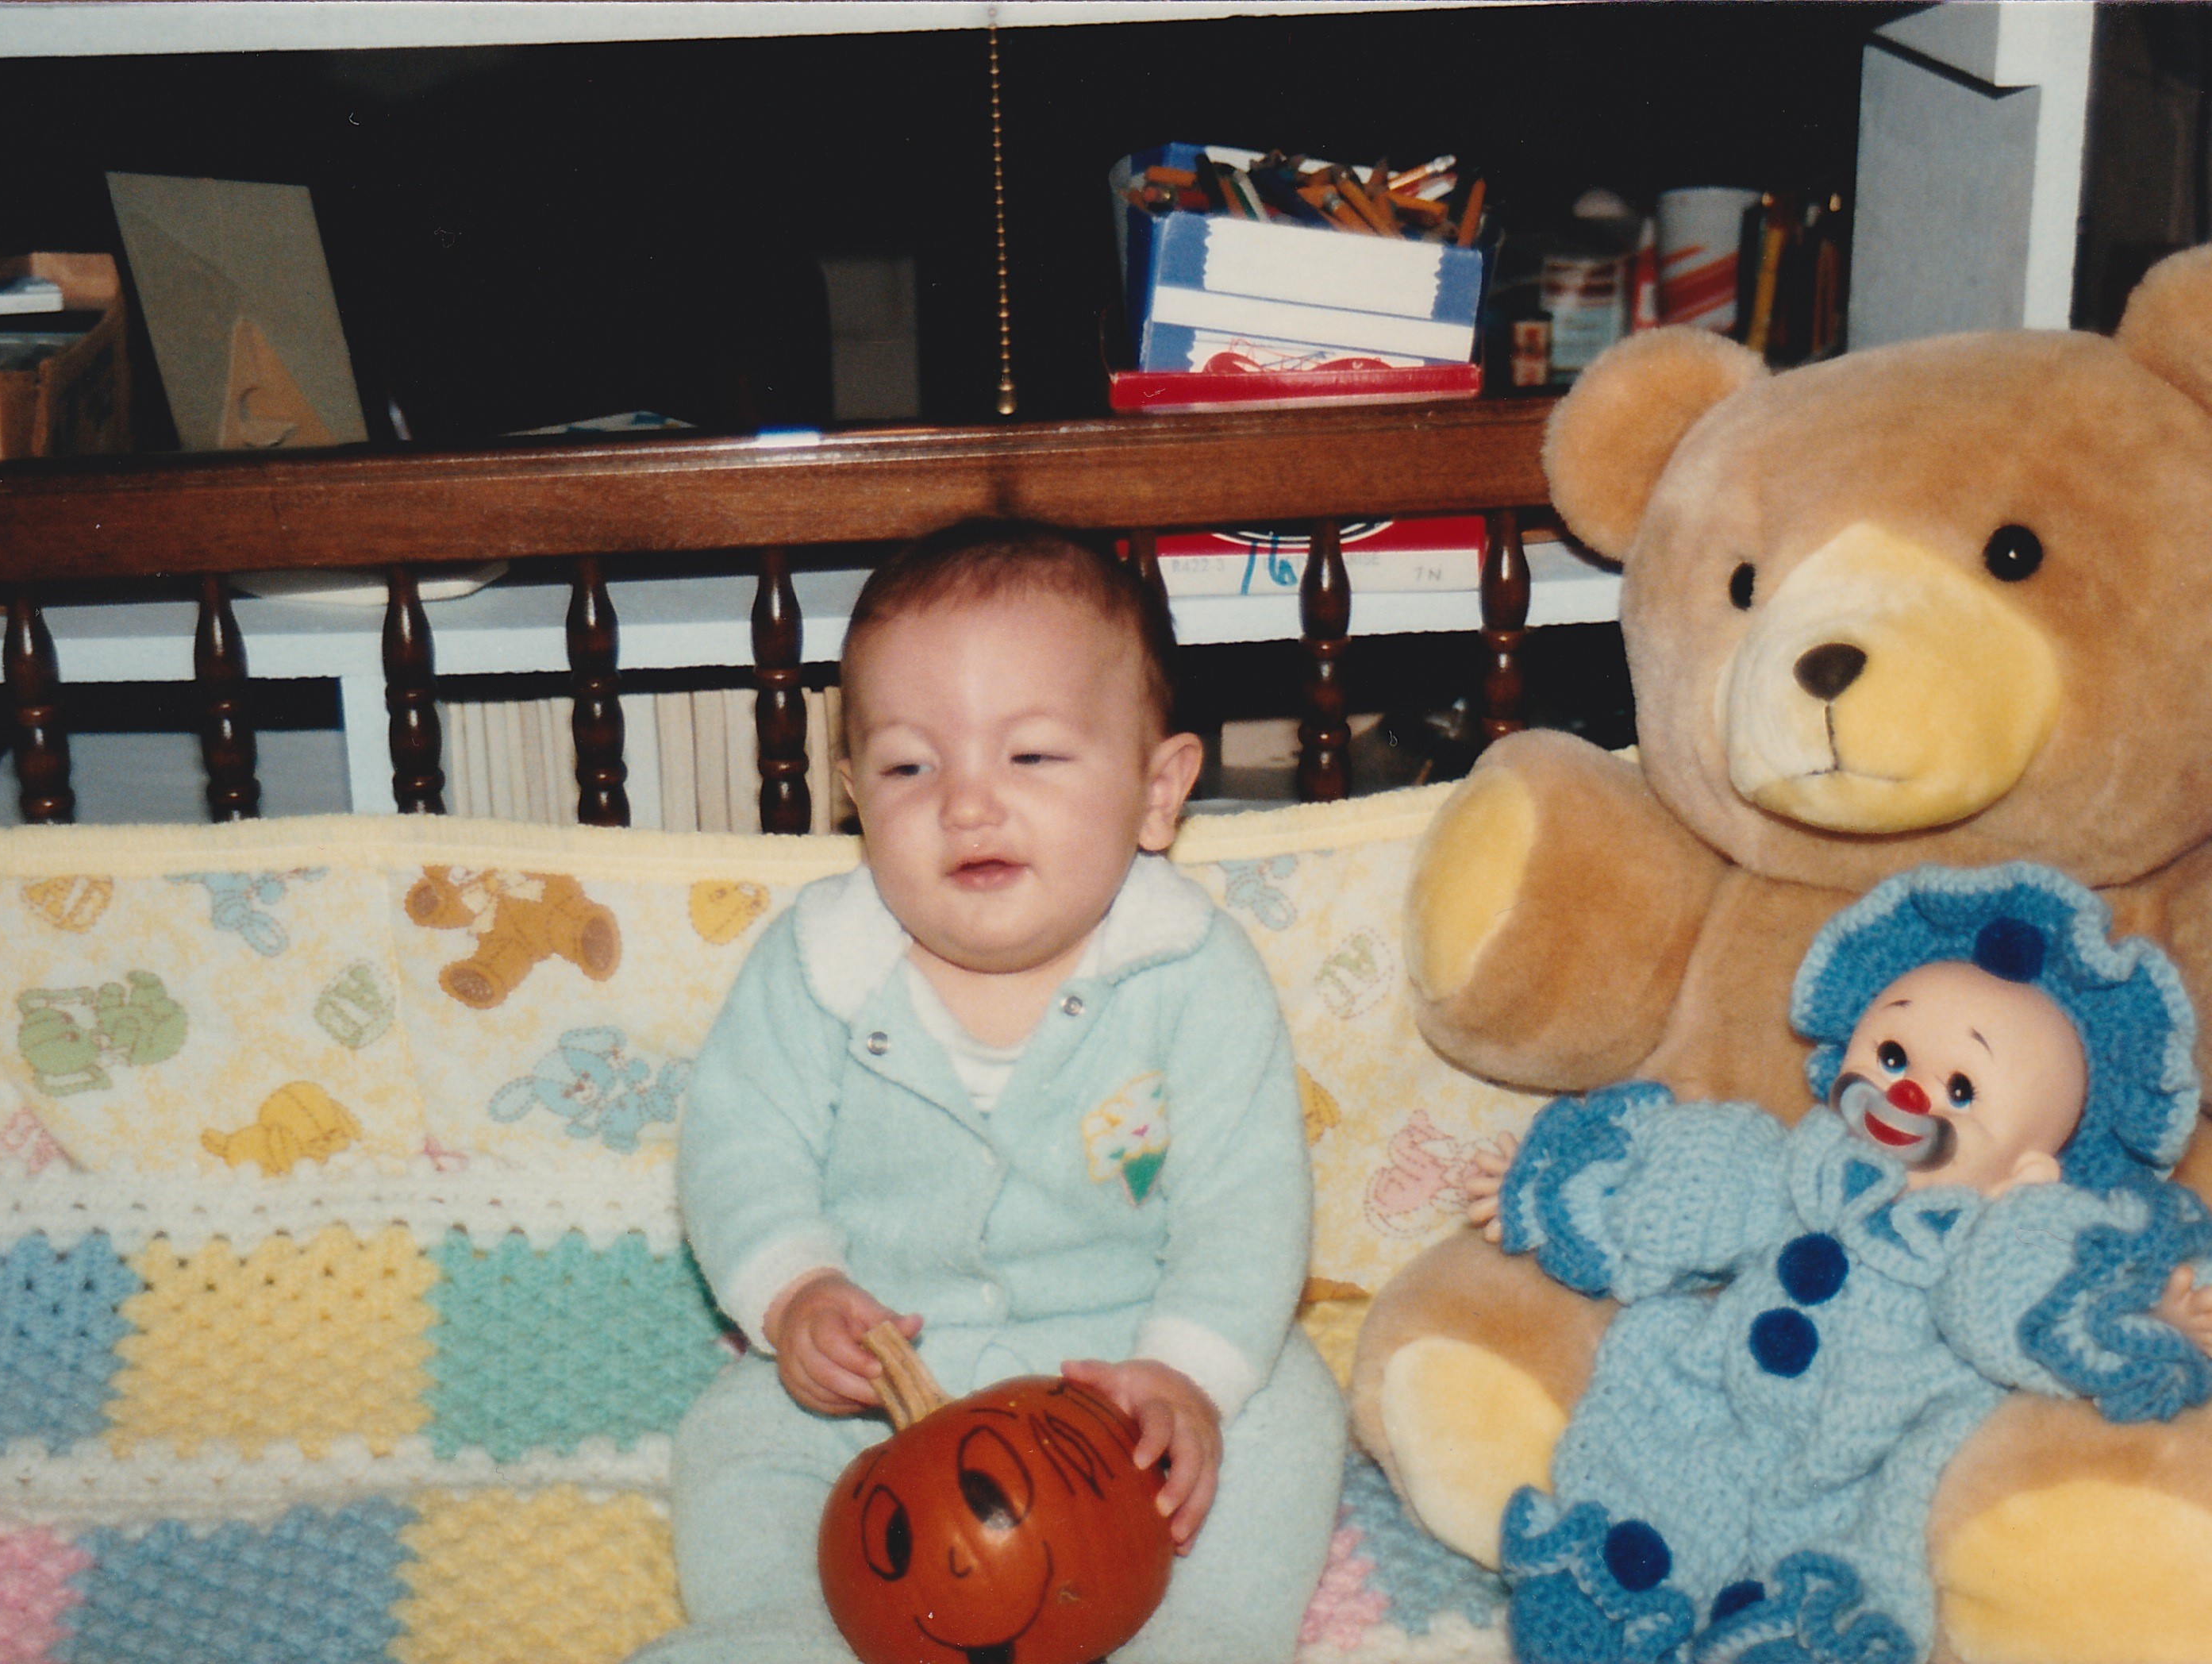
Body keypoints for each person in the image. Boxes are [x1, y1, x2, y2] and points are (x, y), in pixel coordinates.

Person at [647, 520, 1345, 1664]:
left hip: (1115, 1375)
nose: (967, 804)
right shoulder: (821, 965)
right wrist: (797, 1290)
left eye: (1031, 757)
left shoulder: (1191, 971)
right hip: (880, 1385)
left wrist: (1187, 1373)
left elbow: (1247, 1201)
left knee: (1285, 1408)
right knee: (739, 1435)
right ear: (854, 798)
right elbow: (738, 1146)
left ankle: (1202, 1637)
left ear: (1157, 790)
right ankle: (783, 1630)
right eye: (909, 768)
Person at [1464, 862, 2212, 1664]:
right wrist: (1569, 1182)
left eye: (1960, 1088)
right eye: (1892, 1053)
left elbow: (2036, 1304)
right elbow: (1696, 1184)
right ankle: (1616, 1587)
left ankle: (1798, 1633)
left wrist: (2142, 1313)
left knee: (1852, 1553)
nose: (1908, 1093)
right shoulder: (1794, 1167)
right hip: (1712, 1401)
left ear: (2027, 1173)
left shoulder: (1994, 1247)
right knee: (1649, 1458)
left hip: (1862, 1464)